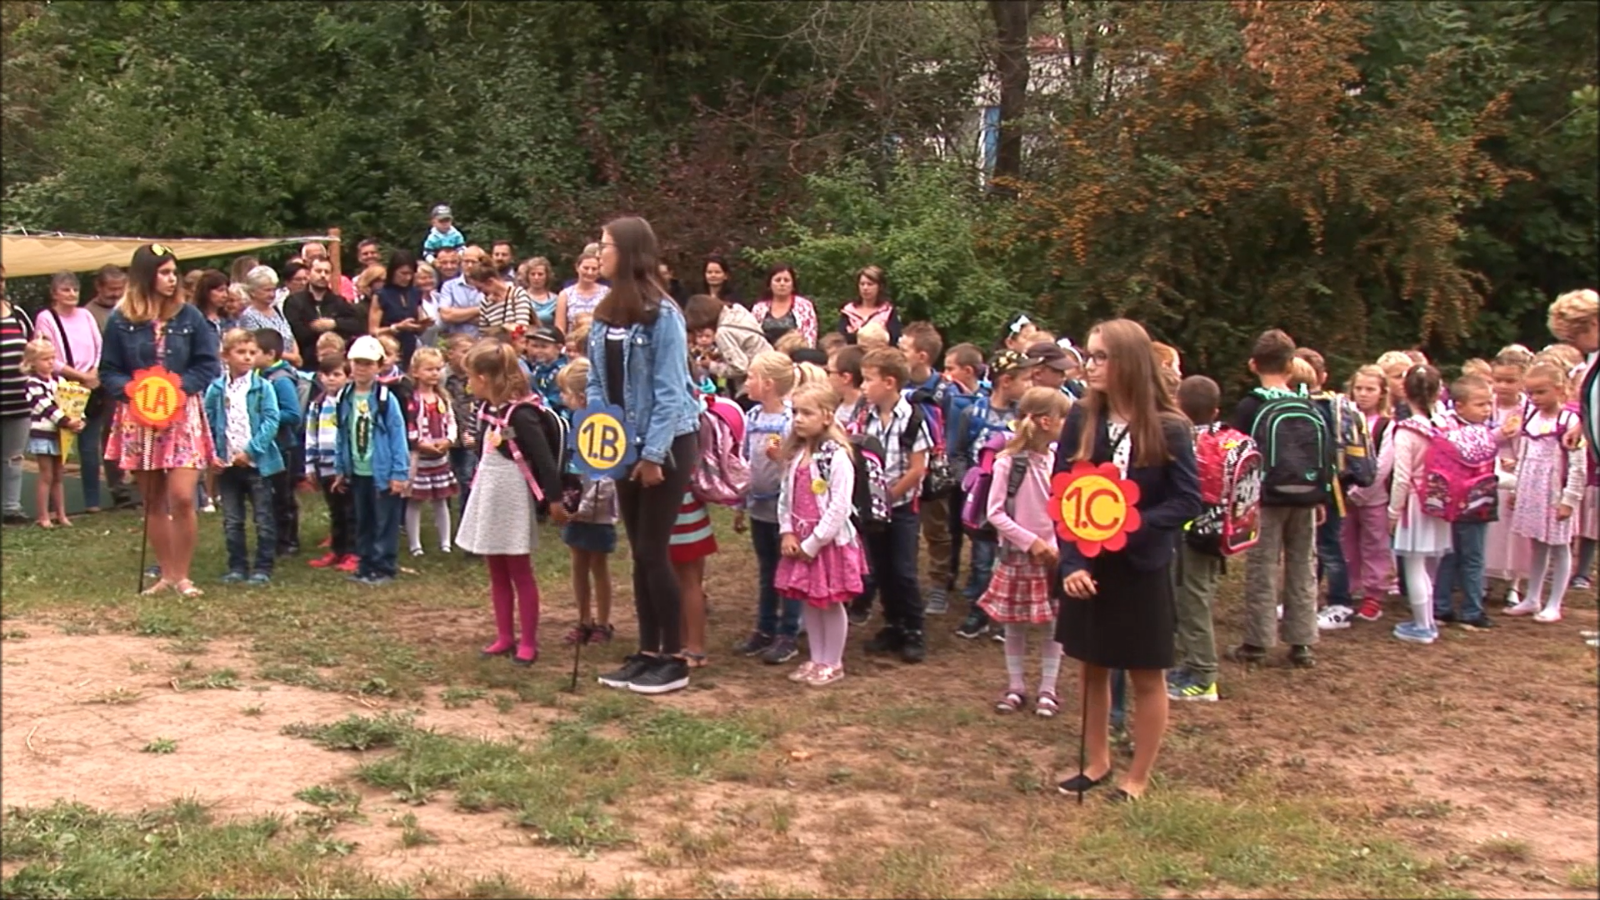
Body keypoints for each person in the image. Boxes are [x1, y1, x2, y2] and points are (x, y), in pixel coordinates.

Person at [1054, 319, 1201, 803]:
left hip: (1141, 565)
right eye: (1088, 355)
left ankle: (1137, 777)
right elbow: (1063, 495)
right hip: (1089, 566)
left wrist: (1126, 524)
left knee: (1145, 673)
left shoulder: (1169, 426)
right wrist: (1073, 562)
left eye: (1101, 357)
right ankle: (1096, 761)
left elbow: (1187, 500)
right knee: (1091, 667)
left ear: (1129, 362)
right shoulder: (1081, 417)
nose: (1090, 366)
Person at [586, 216, 701, 696]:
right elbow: (596, 381)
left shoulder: (663, 314)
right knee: (638, 551)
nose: (599, 253)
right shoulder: (604, 313)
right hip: (622, 444)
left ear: (629, 251)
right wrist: (601, 439)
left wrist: (653, 455)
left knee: (655, 551)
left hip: (667, 444)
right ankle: (648, 651)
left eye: (606, 245)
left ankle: (674, 657)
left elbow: (671, 391)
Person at [100, 244, 222, 599]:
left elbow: (207, 364)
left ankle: (183, 576)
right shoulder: (121, 319)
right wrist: (132, 390)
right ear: (146, 276)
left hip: (181, 413)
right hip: (140, 415)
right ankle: (166, 574)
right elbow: (109, 370)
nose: (172, 279)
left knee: (182, 496)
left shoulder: (190, 316)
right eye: (164, 272)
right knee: (153, 499)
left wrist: (179, 388)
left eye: (174, 272)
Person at [457, 339, 567, 666]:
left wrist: (555, 499)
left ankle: (528, 641)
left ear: (484, 378)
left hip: (512, 494)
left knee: (519, 570)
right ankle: (504, 635)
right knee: (496, 569)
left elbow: (544, 459)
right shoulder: (487, 411)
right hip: (489, 489)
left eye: (471, 377)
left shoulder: (521, 415)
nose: (469, 384)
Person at [1226, 329, 1321, 668]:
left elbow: (1238, 455)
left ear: (1253, 364)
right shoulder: (1307, 404)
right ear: (1291, 365)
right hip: (1305, 495)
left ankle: (1257, 641)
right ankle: (1302, 641)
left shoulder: (1251, 406)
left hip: (1264, 499)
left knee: (1262, 567)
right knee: (1303, 565)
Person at [976, 386, 1071, 714]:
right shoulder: (1007, 463)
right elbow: (995, 513)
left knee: (1053, 625)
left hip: (1054, 557)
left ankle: (1048, 688)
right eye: (1063, 418)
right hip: (1018, 556)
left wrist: (1056, 545)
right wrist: (1031, 542)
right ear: (1047, 421)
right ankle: (1015, 686)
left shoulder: (1059, 460)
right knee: (1014, 624)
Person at [775, 381, 867, 686]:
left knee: (829, 602)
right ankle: (816, 658)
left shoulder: (837, 457)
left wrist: (813, 543)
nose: (798, 419)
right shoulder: (796, 453)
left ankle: (833, 661)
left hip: (826, 543)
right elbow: (786, 497)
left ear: (827, 416)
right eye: (795, 412)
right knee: (809, 600)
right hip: (799, 539)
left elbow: (839, 506)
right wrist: (787, 532)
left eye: (807, 413)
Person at [951, 350, 1039, 638]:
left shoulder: (1024, 418)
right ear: (1006, 381)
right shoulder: (972, 414)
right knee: (981, 557)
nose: (1030, 385)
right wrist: (968, 482)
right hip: (982, 499)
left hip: (1015, 499)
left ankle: (1005, 613)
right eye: (1026, 379)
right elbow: (957, 453)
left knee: (1008, 556)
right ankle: (978, 611)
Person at [855, 347, 932, 663]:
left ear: (889, 382)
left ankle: (914, 628)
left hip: (901, 509)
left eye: (867, 379)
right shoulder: (865, 416)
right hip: (872, 510)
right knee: (880, 567)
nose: (862, 386)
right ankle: (892, 624)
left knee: (903, 570)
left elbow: (917, 468)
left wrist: (888, 496)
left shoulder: (913, 419)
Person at [1167, 375, 1230, 702]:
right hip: (1216, 532)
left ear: (1178, 405)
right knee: (1197, 595)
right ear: (1216, 411)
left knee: (1193, 603)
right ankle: (1191, 664)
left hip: (1190, 534)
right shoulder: (1223, 441)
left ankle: (1204, 677)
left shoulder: (1184, 443)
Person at [734, 352, 800, 665]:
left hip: (785, 512)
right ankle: (764, 628)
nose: (746, 382)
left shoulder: (791, 422)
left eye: (751, 377)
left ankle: (789, 633)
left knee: (788, 572)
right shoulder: (752, 418)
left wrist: (781, 458)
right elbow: (744, 461)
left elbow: (800, 468)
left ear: (769, 384)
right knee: (766, 570)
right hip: (759, 508)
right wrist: (740, 503)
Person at [1507, 360, 1584, 623]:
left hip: (1555, 493)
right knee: (1537, 545)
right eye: (1531, 393)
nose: (1535, 398)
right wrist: (1517, 488)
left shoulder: (1569, 421)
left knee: (1560, 547)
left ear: (1559, 389)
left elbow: (1577, 466)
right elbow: (1523, 455)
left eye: (1541, 392)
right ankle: (1532, 597)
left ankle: (1555, 603)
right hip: (1532, 490)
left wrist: (1569, 499)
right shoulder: (1531, 418)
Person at [202, 329, 281, 585]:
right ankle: (237, 565)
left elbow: (271, 420)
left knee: (263, 517)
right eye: (241, 352)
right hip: (228, 465)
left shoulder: (262, 387)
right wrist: (213, 454)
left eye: (252, 352)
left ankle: (263, 566)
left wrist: (251, 451)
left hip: (256, 464)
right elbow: (209, 423)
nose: (247, 357)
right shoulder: (216, 389)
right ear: (226, 356)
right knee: (232, 519)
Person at [332, 335, 409, 586]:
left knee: (384, 521)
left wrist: (399, 473)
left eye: (368, 363)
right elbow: (342, 433)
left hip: (382, 471)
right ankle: (365, 564)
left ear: (378, 366)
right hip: (358, 470)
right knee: (363, 519)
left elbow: (398, 435)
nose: (361, 368)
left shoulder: (386, 399)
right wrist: (340, 468)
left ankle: (384, 567)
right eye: (357, 362)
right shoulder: (345, 396)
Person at [1387, 365, 1454, 644]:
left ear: (1406, 392)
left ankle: (1423, 625)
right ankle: (1428, 619)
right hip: (1440, 499)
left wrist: (1393, 512)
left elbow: (1401, 477)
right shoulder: (1446, 425)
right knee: (1430, 565)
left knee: (1414, 564)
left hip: (1415, 503)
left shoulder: (1407, 430)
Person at [33, 271, 106, 512]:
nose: (72, 294)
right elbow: (47, 355)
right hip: (62, 386)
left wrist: (93, 372)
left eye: (75, 289)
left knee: (89, 446)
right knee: (57, 448)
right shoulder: (46, 318)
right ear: (54, 293)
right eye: (65, 290)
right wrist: (79, 376)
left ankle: (92, 501)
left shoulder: (86, 315)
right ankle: (53, 506)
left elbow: (99, 346)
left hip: (90, 387)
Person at [1430, 375, 1498, 630]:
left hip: (1461, 502)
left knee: (1453, 555)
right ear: (1459, 405)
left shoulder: (1445, 428)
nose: (1486, 409)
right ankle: (1470, 610)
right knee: (1470, 557)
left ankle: (1443, 606)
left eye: (1488, 403)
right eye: (1480, 404)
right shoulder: (1460, 432)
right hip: (1471, 502)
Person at [558, 359, 618, 645]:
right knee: (578, 562)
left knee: (598, 564)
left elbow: (606, 477)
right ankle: (583, 619)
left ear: (581, 396)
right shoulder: (574, 425)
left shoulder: (602, 428)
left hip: (597, 511)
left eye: (566, 393)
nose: (563, 398)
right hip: (576, 507)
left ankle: (603, 622)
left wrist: (585, 508)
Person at [1340, 364, 1395, 622]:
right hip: (1344, 495)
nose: (1363, 394)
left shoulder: (1386, 426)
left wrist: (1361, 491)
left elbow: (1383, 464)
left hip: (1374, 498)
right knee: (1346, 543)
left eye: (1370, 389)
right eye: (1359, 388)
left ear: (1382, 393)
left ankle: (1374, 594)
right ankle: (1350, 587)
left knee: (1375, 544)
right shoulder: (1343, 421)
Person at [1487, 346, 1533, 607]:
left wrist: (1518, 460)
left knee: (1514, 530)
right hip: (1489, 470)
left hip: (1517, 472)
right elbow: (1478, 437)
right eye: (1498, 380)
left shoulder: (1529, 409)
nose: (1503, 386)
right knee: (1491, 528)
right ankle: (1486, 578)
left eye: (1510, 381)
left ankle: (1514, 582)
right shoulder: (1486, 405)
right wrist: (1500, 434)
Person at [254, 329, 306, 557]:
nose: (250, 356)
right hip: (266, 445)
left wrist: (266, 414)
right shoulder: (259, 376)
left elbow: (293, 414)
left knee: (283, 495)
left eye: (254, 352)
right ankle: (272, 537)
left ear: (270, 354)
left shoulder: (281, 380)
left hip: (283, 446)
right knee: (268, 495)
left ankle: (288, 541)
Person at [403, 347, 459, 557]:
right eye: (429, 369)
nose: (435, 373)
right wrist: (419, 443)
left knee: (441, 499)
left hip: (440, 457)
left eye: (438, 369)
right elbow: (409, 425)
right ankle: (415, 545)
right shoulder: (413, 399)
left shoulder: (442, 397)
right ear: (416, 372)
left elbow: (451, 422)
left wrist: (449, 440)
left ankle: (445, 542)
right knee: (415, 500)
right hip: (419, 458)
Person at [24, 339, 84, 528]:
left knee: (59, 475)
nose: (50, 362)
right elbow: (45, 406)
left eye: (52, 358)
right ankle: (43, 516)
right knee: (46, 475)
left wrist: (79, 419)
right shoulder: (32, 383)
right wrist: (66, 421)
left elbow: (73, 401)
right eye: (45, 359)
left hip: (61, 434)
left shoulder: (60, 380)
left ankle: (61, 514)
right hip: (43, 433)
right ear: (32, 362)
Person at [305, 356, 356, 572]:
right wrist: (310, 465)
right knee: (335, 511)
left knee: (350, 511)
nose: (331, 379)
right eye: (326, 375)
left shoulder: (350, 402)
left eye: (337, 374)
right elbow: (310, 435)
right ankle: (337, 549)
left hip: (345, 467)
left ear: (347, 377)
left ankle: (354, 552)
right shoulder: (317, 405)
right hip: (324, 465)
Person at [683, 293, 771, 401]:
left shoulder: (723, 332)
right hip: (769, 363)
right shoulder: (738, 311)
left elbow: (740, 367)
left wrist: (711, 365)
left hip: (755, 382)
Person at [0, 265, 37, 525]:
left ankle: (11, 508)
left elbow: (34, 349)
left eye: (2, 279)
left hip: (19, 402)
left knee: (13, 458)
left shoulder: (19, 315)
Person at [370, 251, 429, 369]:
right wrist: (396, 327)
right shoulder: (381, 295)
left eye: (411, 274)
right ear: (393, 272)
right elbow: (373, 331)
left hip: (410, 348)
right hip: (388, 349)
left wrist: (423, 325)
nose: (407, 278)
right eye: (403, 273)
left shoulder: (415, 293)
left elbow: (419, 328)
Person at [238, 266, 301, 369]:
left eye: (273, 290)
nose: (272, 294)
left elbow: (289, 334)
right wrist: (292, 357)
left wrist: (296, 354)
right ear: (253, 292)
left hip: (289, 366)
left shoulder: (276, 309)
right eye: (267, 290)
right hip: (269, 368)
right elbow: (258, 346)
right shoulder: (248, 316)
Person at [751, 265, 818, 347]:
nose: (782, 284)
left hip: (796, 352)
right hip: (764, 353)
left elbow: (809, 339)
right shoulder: (759, 308)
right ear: (769, 284)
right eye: (777, 280)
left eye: (786, 280)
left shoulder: (805, 306)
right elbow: (752, 336)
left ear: (793, 285)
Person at [838, 265, 902, 346]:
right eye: (862, 284)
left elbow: (894, 339)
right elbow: (842, 338)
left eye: (870, 284)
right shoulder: (848, 311)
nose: (865, 288)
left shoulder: (888, 311)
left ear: (879, 287)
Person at [467, 261, 534, 335]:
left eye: (480, 288)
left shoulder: (518, 294)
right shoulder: (485, 303)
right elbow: (483, 333)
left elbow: (521, 328)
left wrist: (498, 329)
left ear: (490, 282)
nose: (479, 292)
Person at [555, 248, 609, 335]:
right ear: (577, 268)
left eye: (594, 269)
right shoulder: (565, 295)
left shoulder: (606, 293)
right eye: (586, 268)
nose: (590, 272)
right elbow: (559, 328)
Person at [520, 257, 559, 326]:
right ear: (527, 276)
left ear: (547, 276)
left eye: (540, 274)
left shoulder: (556, 300)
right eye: (533, 274)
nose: (536, 278)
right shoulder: (520, 297)